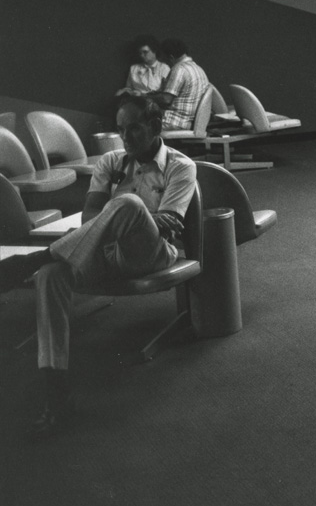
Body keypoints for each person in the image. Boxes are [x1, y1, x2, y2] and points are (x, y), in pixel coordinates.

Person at [0, 95, 197, 437]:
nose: (126, 137)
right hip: (104, 251)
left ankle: (32, 259)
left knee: (129, 203)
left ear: (154, 126)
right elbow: (91, 217)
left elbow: (168, 223)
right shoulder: (110, 161)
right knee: (51, 276)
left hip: (151, 253)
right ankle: (57, 392)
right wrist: (118, 215)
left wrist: (126, 211)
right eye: (121, 130)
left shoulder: (181, 166)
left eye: (134, 128)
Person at [153, 38, 210, 131]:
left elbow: (166, 99)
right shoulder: (198, 68)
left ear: (171, 57)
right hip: (188, 122)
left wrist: (146, 97)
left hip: (175, 122)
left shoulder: (179, 69)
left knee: (139, 127)